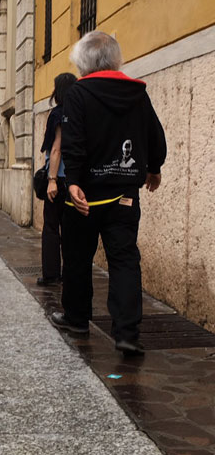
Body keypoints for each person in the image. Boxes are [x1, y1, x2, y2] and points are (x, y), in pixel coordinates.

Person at [50, 31, 167, 357]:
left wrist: (72, 181)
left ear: (83, 62)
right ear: (116, 59)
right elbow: (155, 136)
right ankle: (128, 332)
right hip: (124, 195)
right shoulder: (137, 93)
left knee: (77, 257)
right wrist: (153, 168)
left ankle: (77, 319)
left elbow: (74, 140)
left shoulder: (78, 93)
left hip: (86, 195)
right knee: (125, 259)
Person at [37, 73, 77, 286]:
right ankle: (70, 272)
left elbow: (56, 149)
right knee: (71, 229)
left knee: (52, 227)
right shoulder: (80, 113)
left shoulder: (59, 114)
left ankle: (52, 274)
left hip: (59, 178)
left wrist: (51, 179)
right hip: (75, 180)